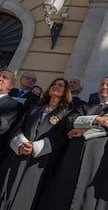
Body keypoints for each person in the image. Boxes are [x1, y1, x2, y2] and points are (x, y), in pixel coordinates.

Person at [38, 76, 108, 210]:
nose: (104, 87)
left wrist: (83, 132)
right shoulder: (85, 107)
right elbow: (70, 120)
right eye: (102, 84)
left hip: (99, 159)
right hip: (74, 155)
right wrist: (97, 119)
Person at [0, 78, 72, 210]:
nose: (56, 86)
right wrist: (20, 144)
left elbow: (61, 136)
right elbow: (18, 128)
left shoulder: (67, 113)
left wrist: (37, 147)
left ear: (65, 91)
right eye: (54, 84)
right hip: (19, 155)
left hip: (41, 161)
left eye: (60, 85)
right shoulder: (34, 109)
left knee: (27, 195)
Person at [0, 69, 24, 160]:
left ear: (10, 86)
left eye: (5, 78)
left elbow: (3, 127)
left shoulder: (14, 105)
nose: (0, 79)